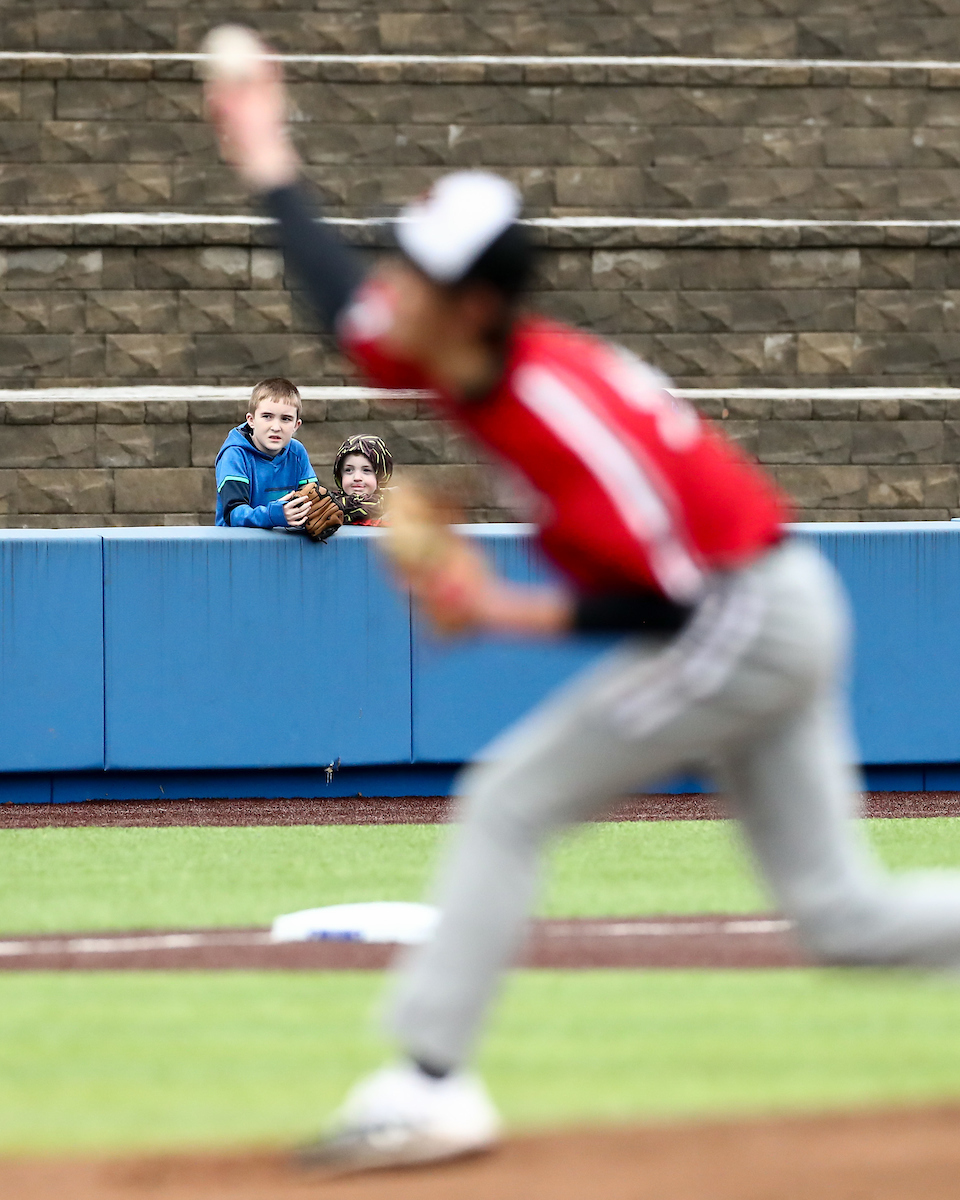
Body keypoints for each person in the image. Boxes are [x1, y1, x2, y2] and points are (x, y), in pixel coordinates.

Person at [206, 45, 960, 1173]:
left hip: (743, 612)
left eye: (415, 269)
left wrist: (494, 610)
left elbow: (674, 605)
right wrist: (267, 154)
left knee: (507, 800)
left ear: (471, 304)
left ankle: (428, 1085)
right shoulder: (453, 346)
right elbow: (336, 296)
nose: (391, 284)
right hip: (761, 599)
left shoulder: (562, 411)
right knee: (843, 918)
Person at [215, 377, 318, 530]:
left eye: (285, 419)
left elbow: (312, 501)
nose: (276, 427)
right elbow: (233, 514)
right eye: (267, 416)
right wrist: (274, 515)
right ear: (251, 420)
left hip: (285, 542)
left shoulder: (297, 452)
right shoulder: (234, 455)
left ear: (296, 425)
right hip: (238, 542)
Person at [332, 434, 393, 526]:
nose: (357, 478)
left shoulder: (397, 511)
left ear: (381, 474)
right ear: (339, 474)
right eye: (349, 470)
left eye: (366, 470)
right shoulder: (326, 509)